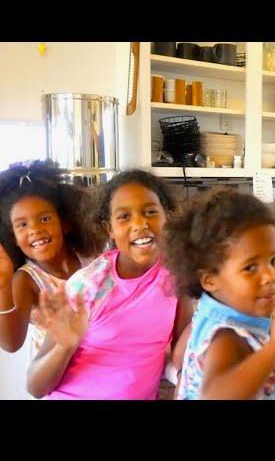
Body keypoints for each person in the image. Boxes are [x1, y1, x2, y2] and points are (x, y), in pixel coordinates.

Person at [26, 170, 192, 400]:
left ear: (168, 218)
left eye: (150, 212)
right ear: (109, 229)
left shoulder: (176, 277)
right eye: (124, 216)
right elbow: (35, 387)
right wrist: (64, 347)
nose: (139, 224)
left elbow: (182, 354)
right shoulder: (88, 285)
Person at [163, 190, 275, 400]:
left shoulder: (211, 313)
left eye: (273, 260)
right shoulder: (228, 337)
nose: (270, 276)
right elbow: (215, 395)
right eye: (250, 268)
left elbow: (181, 356)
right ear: (209, 279)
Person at [0, 159, 100, 355]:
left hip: (98, 367)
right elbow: (11, 344)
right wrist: (3, 288)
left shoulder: (90, 259)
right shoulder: (26, 279)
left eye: (44, 219)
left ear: (65, 223)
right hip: (57, 378)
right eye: (22, 225)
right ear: (15, 239)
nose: (35, 230)